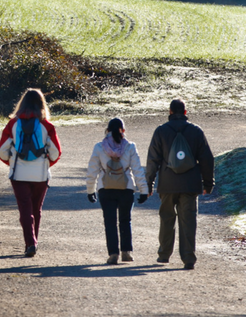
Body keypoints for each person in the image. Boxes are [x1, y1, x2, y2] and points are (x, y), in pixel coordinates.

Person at [145, 99, 214, 270]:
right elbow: (206, 159)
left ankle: (164, 254)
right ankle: (188, 257)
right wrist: (208, 183)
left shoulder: (160, 131)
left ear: (169, 112)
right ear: (185, 112)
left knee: (167, 218)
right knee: (188, 221)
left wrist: (149, 183)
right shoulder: (196, 131)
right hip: (189, 184)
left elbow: (153, 160)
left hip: (167, 184)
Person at [0, 88, 62, 257]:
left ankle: (30, 243)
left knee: (25, 210)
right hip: (41, 175)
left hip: (18, 174)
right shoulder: (47, 126)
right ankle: (33, 242)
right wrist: (46, 163)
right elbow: (56, 153)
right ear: (42, 105)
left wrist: (11, 162)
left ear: (22, 103)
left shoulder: (12, 124)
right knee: (36, 210)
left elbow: (2, 152)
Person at [86, 117, 149, 265]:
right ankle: (126, 252)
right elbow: (137, 170)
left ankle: (113, 253)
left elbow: (92, 170)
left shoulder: (99, 147)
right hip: (126, 188)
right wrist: (143, 190)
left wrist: (90, 190)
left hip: (105, 188)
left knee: (110, 222)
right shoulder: (130, 146)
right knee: (125, 220)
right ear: (123, 131)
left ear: (107, 131)